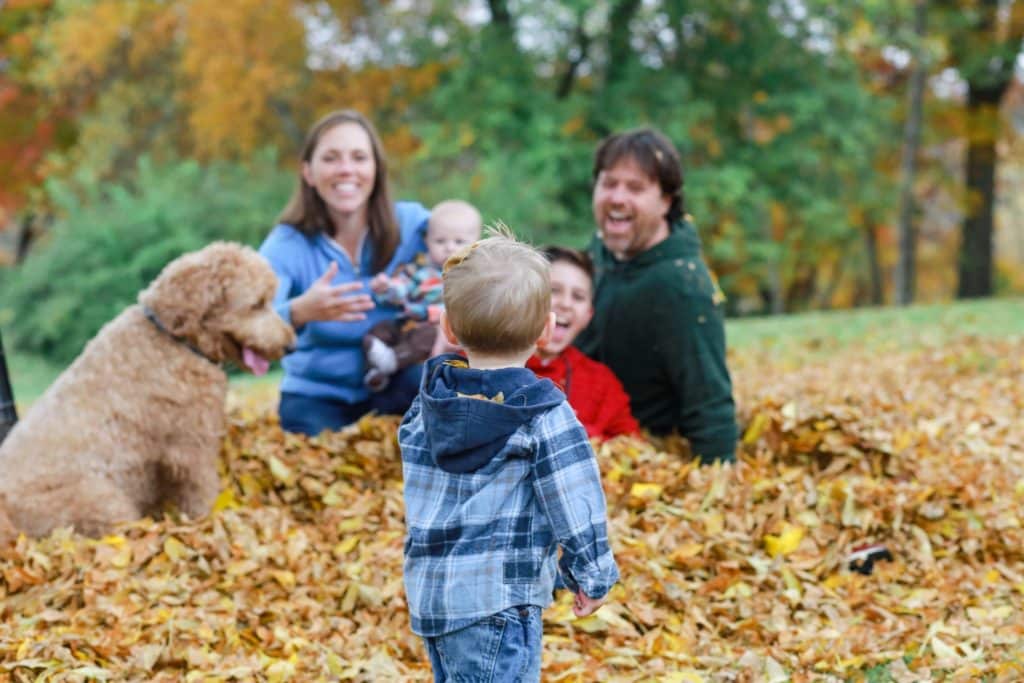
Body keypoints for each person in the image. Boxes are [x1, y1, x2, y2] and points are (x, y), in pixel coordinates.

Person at [399, 230, 620, 682]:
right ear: (545, 329)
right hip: (499, 600)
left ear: (449, 328)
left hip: (433, 597)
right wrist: (592, 572)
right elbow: (575, 498)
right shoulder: (542, 413)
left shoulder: (428, 405)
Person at [259, 109, 431, 435]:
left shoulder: (411, 224)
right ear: (308, 172)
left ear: (376, 169)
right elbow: (250, 320)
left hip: (396, 382)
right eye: (331, 158)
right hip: (315, 396)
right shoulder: (286, 243)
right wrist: (299, 311)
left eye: (359, 157)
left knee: (434, 390)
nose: (346, 169)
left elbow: (470, 249)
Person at [575, 127, 738, 464]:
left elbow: (709, 399)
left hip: (642, 456)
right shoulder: (594, 258)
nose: (617, 198)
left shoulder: (681, 285)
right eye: (609, 184)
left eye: (635, 188)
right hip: (581, 439)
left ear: (666, 201)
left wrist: (719, 483)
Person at [362, 200, 482, 391]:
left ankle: (392, 361)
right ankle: (377, 370)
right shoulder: (418, 270)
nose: (449, 248)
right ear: (427, 241)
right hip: (406, 323)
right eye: (440, 241)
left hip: (437, 331)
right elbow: (402, 290)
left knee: (426, 337)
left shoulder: (473, 277)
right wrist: (386, 288)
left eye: (459, 242)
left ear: (475, 244)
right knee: (380, 330)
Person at [526, 246, 640, 440]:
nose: (566, 304)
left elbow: (632, 451)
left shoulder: (602, 383)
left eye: (578, 297)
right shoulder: (481, 361)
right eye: (554, 290)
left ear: (588, 316)